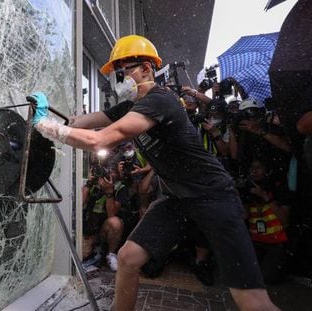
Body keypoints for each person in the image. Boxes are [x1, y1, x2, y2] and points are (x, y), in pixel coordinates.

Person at [29, 35, 280, 311]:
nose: (121, 78)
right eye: (117, 73)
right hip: (177, 198)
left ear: (147, 69)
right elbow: (78, 123)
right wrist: (44, 115)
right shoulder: (130, 107)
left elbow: (99, 140)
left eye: (126, 70)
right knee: (128, 257)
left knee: (250, 300)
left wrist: (47, 126)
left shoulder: (160, 101)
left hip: (212, 196)